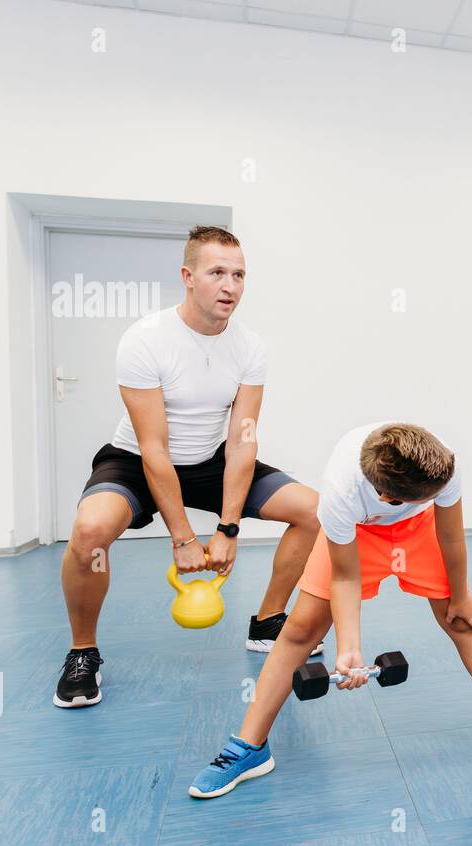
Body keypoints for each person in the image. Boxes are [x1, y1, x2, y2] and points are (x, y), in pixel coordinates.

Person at [189, 422, 472, 798]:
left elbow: (451, 535)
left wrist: (460, 594)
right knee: (299, 629)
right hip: (358, 531)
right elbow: (345, 578)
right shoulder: (341, 493)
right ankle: (250, 748)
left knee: (462, 620)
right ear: (385, 495)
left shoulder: (440, 464)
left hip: (418, 530)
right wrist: (349, 648)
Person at [55, 226, 320, 708]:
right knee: (89, 533)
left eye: (239, 275)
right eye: (217, 272)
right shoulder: (145, 340)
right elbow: (154, 448)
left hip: (210, 461)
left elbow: (242, 441)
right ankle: (82, 651)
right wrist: (182, 538)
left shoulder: (249, 347)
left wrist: (228, 529)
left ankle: (267, 623)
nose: (230, 286)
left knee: (314, 511)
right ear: (188, 276)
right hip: (136, 461)